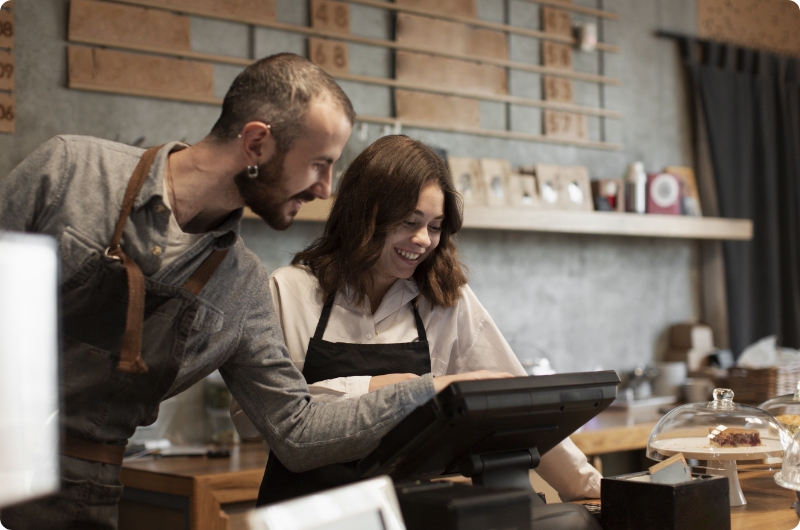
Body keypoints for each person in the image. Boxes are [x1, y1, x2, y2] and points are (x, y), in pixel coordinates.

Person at [0, 54, 504, 530]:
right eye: (318, 164)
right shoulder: (72, 172)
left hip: (85, 494)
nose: (326, 190)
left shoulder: (240, 284)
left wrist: (430, 391)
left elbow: (297, 431)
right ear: (258, 144)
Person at [231, 135, 603, 505]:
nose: (423, 239)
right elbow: (252, 421)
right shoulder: (290, 290)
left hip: (407, 514)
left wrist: (588, 486)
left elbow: (520, 406)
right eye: (410, 221)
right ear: (365, 214)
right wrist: (386, 387)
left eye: (436, 226)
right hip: (304, 515)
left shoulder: (445, 299)